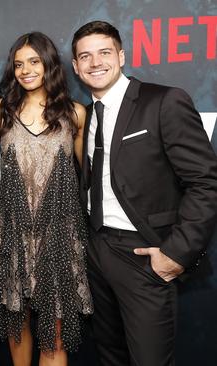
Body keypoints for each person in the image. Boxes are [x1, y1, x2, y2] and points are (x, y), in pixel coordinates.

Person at [71, 20, 217, 366]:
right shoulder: (86, 116)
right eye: (85, 56)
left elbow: (206, 182)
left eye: (104, 52)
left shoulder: (164, 101)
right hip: (96, 251)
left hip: (144, 254)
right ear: (75, 67)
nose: (95, 63)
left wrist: (176, 254)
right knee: (110, 356)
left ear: (121, 56)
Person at [0, 32, 93, 366]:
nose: (25, 70)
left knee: (54, 327)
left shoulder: (75, 113)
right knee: (18, 321)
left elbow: (89, 177)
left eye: (33, 61)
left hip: (58, 230)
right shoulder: (2, 110)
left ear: (49, 64)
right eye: (18, 64)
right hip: (12, 229)